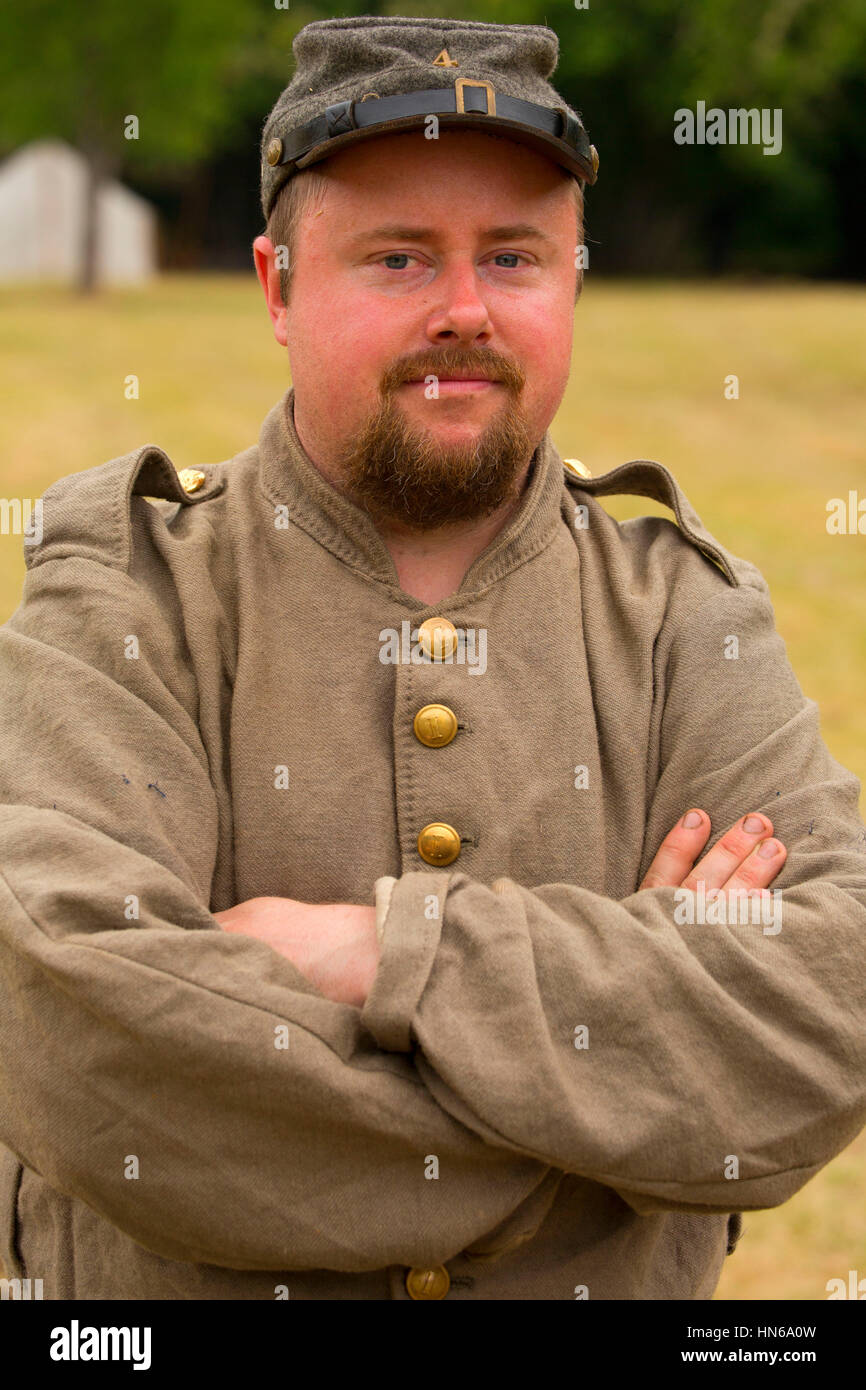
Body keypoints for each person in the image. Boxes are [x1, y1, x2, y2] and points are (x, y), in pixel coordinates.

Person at [0, 15, 864, 1302]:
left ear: (571, 282)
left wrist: (382, 951)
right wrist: (618, 1106)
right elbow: (83, 1047)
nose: (463, 310)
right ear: (280, 289)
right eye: (397, 258)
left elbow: (827, 1009)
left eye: (512, 257)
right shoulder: (127, 589)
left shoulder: (684, 619)